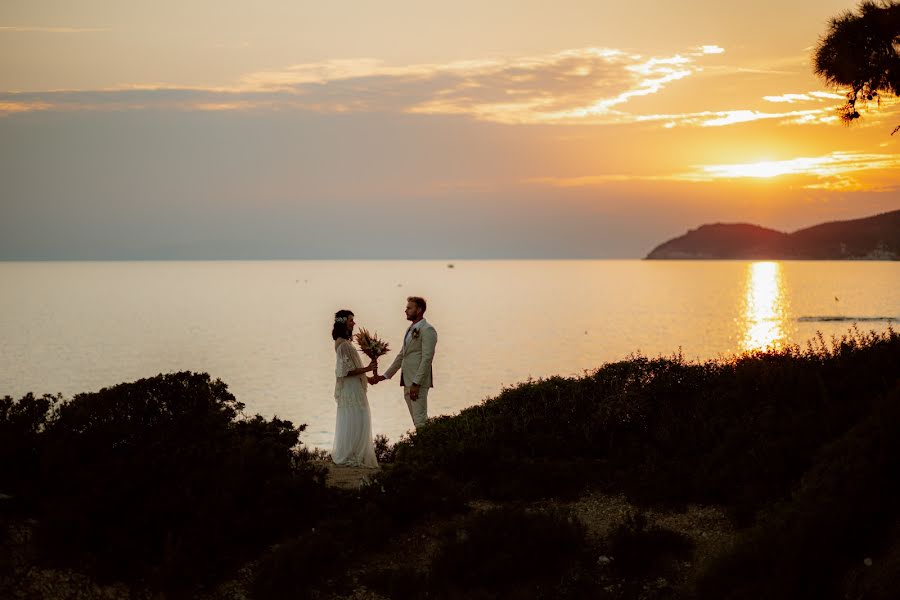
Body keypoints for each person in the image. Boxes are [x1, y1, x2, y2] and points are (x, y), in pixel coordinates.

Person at [371, 297, 437, 429]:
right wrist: (384, 376)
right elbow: (402, 356)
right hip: (407, 382)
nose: (405, 310)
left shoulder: (427, 330)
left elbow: (427, 359)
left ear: (419, 310)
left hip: (417, 383)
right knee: (416, 420)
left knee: (420, 420)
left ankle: (427, 447)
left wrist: (416, 383)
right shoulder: (410, 329)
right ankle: (424, 446)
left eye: (409, 308)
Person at [331, 309, 378, 467]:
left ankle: (357, 453)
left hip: (354, 385)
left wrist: (368, 377)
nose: (354, 323)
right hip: (351, 388)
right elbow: (346, 371)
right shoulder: (342, 344)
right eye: (351, 320)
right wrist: (368, 369)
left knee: (359, 417)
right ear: (344, 323)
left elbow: (352, 368)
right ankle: (352, 454)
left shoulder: (346, 342)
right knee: (355, 417)